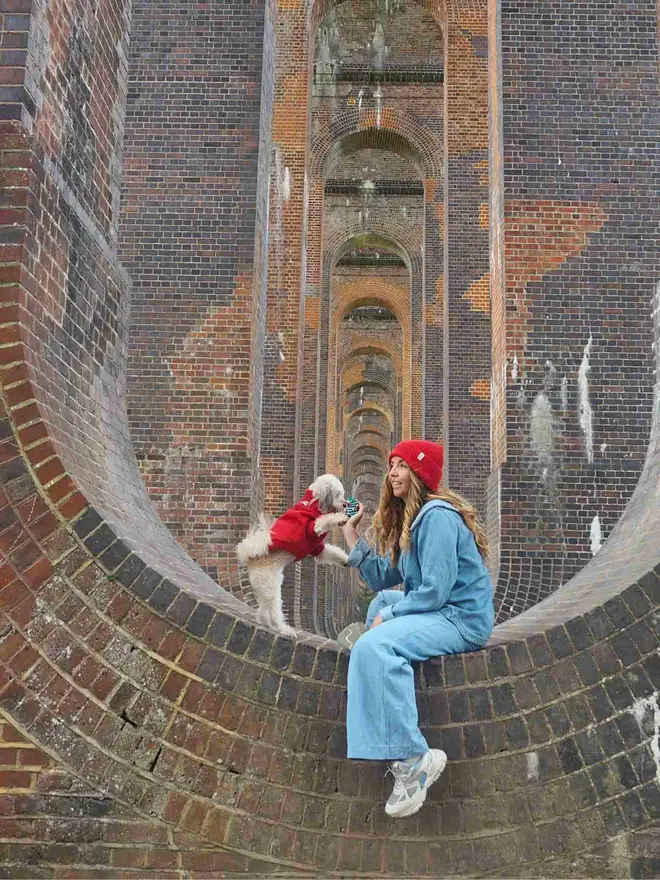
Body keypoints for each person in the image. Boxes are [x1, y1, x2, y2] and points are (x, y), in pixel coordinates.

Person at [341, 439, 494, 819]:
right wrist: (350, 533)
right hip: (441, 610)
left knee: (375, 645)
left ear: (420, 473)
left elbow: (435, 591)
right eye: (391, 465)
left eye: (402, 466)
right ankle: (371, 655)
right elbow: (381, 578)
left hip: (461, 620)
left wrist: (387, 624)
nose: (392, 472)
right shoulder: (416, 521)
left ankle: (414, 760)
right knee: (381, 604)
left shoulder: (438, 517)